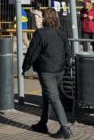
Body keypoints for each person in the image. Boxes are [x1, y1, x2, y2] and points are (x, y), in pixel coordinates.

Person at [22, 8, 72, 139]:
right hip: (59, 70)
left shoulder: (40, 33)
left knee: (53, 98)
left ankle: (65, 128)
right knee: (47, 95)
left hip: (46, 71)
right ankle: (42, 123)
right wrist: (66, 67)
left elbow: (32, 52)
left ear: (45, 19)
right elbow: (68, 52)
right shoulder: (61, 33)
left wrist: (25, 67)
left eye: (41, 17)